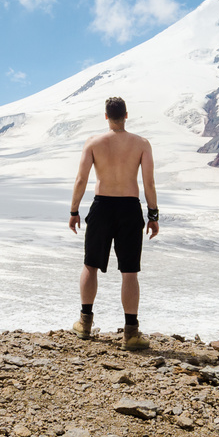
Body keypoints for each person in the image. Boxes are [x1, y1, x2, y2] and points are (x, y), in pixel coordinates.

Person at [68, 96, 159, 351]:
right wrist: (153, 215)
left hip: (102, 206)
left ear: (106, 116)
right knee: (129, 271)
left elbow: (80, 180)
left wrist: (74, 210)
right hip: (129, 208)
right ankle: (131, 333)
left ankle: (84, 324)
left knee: (90, 264)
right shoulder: (141, 144)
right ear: (126, 115)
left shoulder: (94, 143)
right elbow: (149, 183)